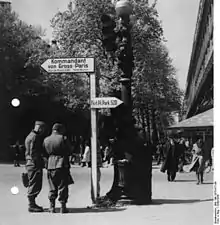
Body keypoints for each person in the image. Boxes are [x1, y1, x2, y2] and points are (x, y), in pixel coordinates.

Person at [44, 123, 73, 213]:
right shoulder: (63, 138)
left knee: (52, 186)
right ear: (60, 129)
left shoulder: (46, 139)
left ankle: (52, 207)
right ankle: (62, 207)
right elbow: (69, 150)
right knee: (62, 186)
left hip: (50, 164)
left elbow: (44, 152)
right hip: (61, 164)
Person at [25, 121, 47, 213]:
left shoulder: (30, 135)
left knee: (33, 182)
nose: (43, 131)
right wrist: (39, 163)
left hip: (29, 163)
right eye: (42, 129)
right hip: (34, 164)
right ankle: (31, 205)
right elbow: (33, 152)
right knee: (35, 183)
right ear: (39, 128)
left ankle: (32, 203)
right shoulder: (35, 137)